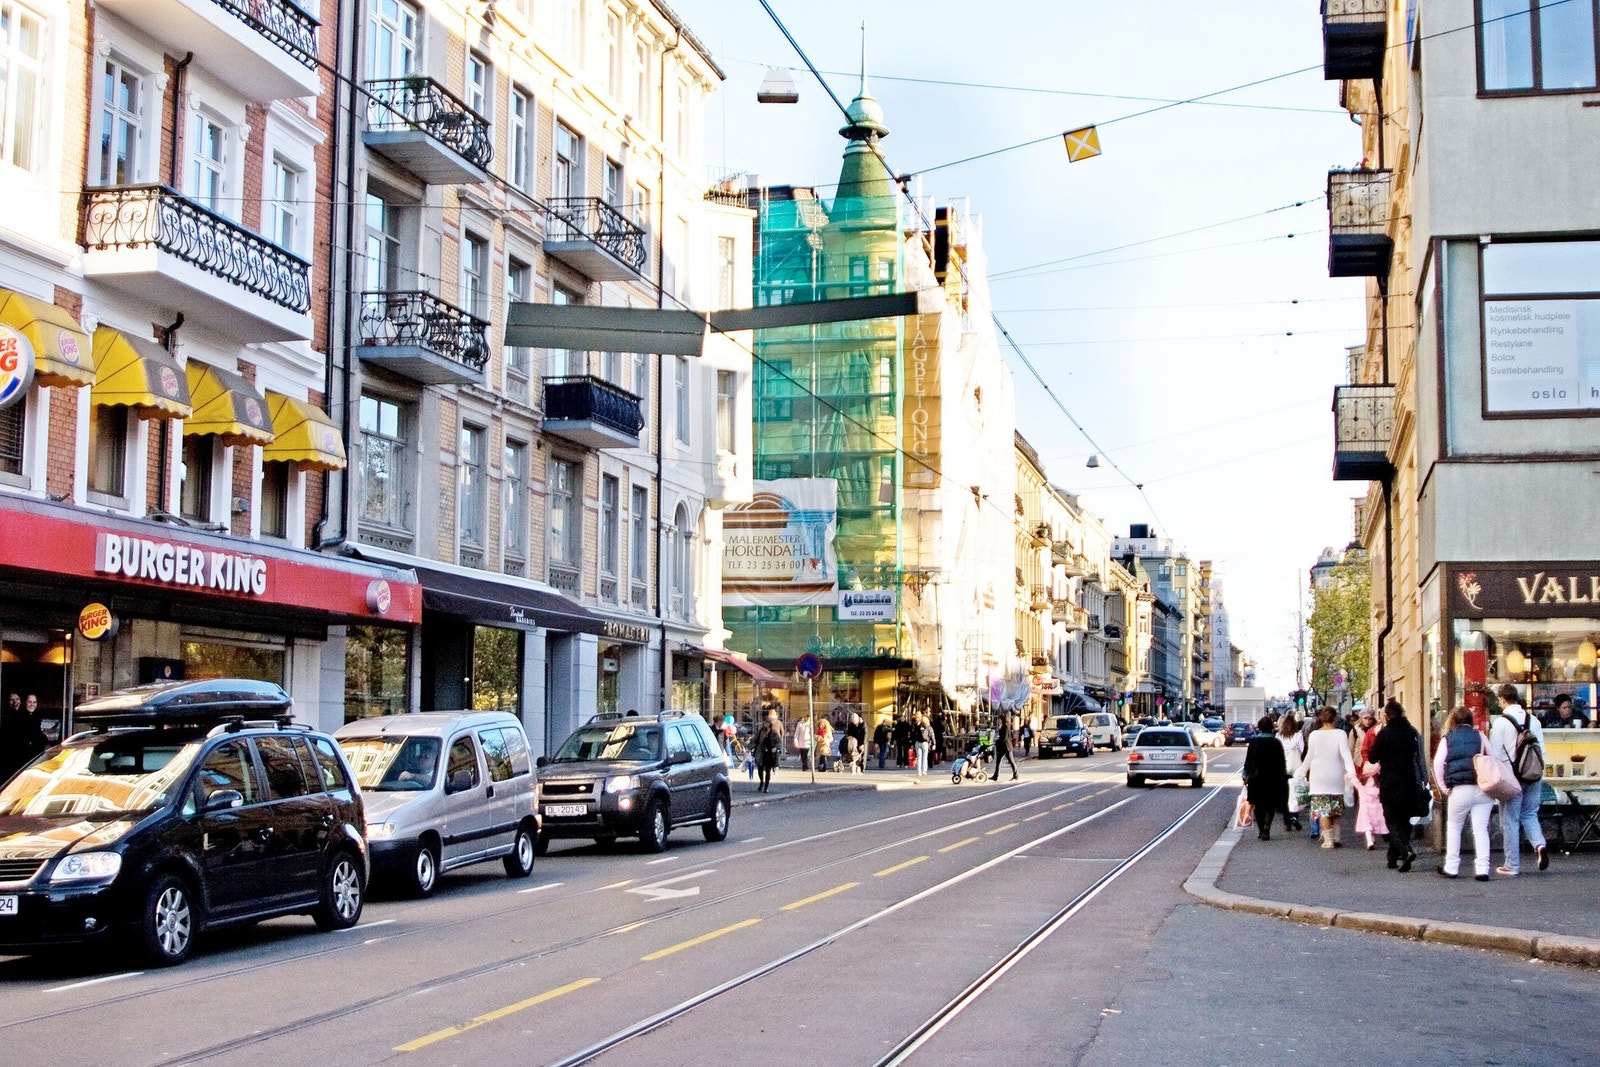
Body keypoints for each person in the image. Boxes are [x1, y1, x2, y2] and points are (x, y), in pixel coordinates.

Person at [1489, 683, 1548, 876]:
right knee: (1530, 814)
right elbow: (1541, 751)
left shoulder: (1500, 723)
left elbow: (1496, 754)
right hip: (1534, 774)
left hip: (1511, 778)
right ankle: (1539, 845)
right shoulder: (1534, 720)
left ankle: (1512, 865)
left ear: (1503, 699)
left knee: (1510, 821)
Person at [1433, 704, 1494, 880]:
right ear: (1470, 720)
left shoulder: (1448, 738)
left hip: (1459, 789)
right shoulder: (1480, 736)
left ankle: (1451, 867)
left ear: (1453, 720)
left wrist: (1443, 787)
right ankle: (1482, 869)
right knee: (1481, 829)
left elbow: (1438, 763)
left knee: (1454, 827)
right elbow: (1492, 758)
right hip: (1482, 789)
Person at [1366, 699, 1423, 872]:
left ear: (1387, 716)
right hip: (1408, 780)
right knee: (1404, 819)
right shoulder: (1410, 731)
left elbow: (1373, 757)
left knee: (1392, 820)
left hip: (1390, 782)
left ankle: (1405, 851)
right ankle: (1392, 857)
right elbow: (1417, 755)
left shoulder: (1385, 733)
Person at [1296, 706, 1357, 849]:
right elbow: (1346, 755)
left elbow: (1310, 756)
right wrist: (1351, 773)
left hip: (1318, 777)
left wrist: (1302, 771)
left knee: (1323, 809)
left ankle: (1328, 840)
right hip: (1336, 775)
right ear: (1335, 717)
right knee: (1336, 808)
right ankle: (1337, 837)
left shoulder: (1314, 735)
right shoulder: (1341, 734)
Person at [1242, 715, 1288, 841]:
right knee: (1270, 805)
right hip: (1273, 778)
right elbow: (1281, 762)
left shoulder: (1254, 742)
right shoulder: (1276, 742)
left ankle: (1262, 829)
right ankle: (1267, 827)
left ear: (1260, 728)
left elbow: (1248, 761)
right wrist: (1282, 776)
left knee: (1258, 805)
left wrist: (1245, 775)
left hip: (1256, 778)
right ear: (1271, 728)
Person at [1351, 711, 1388, 849]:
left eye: (1370, 718)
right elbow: (1361, 749)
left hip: (1371, 771)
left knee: (1369, 810)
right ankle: (1383, 832)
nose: (1368, 720)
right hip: (1367, 768)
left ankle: (1375, 835)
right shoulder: (1363, 731)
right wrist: (1365, 763)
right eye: (1365, 718)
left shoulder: (1377, 730)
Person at [1278, 713, 1305, 832]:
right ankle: (1294, 817)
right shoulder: (1298, 735)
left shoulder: (1279, 736)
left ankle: (1287, 822)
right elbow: (1303, 750)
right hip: (1296, 768)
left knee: (1284, 796)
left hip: (1282, 768)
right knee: (1295, 794)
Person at [753, 711, 784, 793]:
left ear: (769, 724)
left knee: (768, 770)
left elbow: (778, 742)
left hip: (770, 754)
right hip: (761, 753)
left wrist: (776, 748)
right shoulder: (760, 731)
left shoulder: (773, 732)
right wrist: (749, 747)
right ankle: (761, 782)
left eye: (767, 723)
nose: (765, 724)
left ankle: (766, 786)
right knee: (760, 770)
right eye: (764, 723)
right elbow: (755, 740)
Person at [989, 712, 1017, 782]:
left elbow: (1004, 738)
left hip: (1007, 747)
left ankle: (1016, 775)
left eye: (1000, 719)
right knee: (998, 761)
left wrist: (997, 741)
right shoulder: (1002, 727)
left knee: (1011, 761)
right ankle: (995, 776)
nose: (999, 721)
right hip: (1002, 747)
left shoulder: (1006, 727)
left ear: (1002, 720)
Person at [914, 713, 934, 779]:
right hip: (924, 742)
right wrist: (934, 743)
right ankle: (923, 771)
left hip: (919, 742)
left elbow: (913, 734)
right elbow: (931, 734)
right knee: (924, 757)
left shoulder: (916, 725)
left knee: (920, 757)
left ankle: (919, 771)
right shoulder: (927, 725)